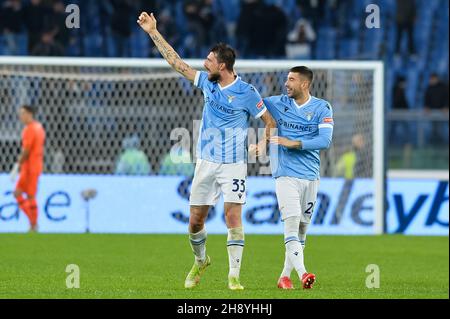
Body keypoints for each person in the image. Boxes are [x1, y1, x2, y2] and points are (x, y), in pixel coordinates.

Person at [137, 11, 276, 290]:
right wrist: (153, 31)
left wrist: (262, 143)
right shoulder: (207, 83)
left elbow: (269, 121)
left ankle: (234, 277)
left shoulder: (248, 92)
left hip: (234, 163)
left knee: (232, 216)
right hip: (206, 162)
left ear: (222, 65)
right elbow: (176, 63)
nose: (204, 63)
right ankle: (201, 260)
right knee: (195, 221)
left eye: (210, 60)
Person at [254, 66, 334, 289]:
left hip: (311, 175)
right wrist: (261, 142)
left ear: (305, 84)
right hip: (285, 174)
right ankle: (303, 273)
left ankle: (284, 276)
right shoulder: (277, 103)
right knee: (291, 225)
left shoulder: (322, 107)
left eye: (291, 80)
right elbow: (253, 102)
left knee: (302, 229)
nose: (286, 83)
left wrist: (295, 143)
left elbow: (324, 141)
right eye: (286, 79)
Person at [11, 105, 46, 232]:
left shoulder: (29, 129)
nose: (21, 116)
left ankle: (33, 224)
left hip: (29, 167)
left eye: (23, 113)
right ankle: (33, 224)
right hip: (35, 165)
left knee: (28, 196)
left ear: (30, 114)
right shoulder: (39, 127)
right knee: (20, 193)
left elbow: (26, 150)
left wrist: (16, 166)